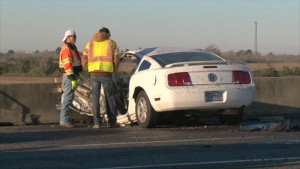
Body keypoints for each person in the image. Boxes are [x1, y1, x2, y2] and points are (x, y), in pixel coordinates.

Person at [82, 27, 120, 129]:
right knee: (109, 97)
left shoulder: (90, 43)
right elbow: (116, 59)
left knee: (95, 98)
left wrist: (89, 69)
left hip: (94, 74)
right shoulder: (112, 43)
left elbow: (84, 58)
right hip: (107, 74)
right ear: (107, 34)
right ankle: (112, 122)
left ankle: (97, 123)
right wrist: (113, 71)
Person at [59, 29, 82, 128]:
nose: (75, 38)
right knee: (67, 98)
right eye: (74, 37)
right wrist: (72, 78)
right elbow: (67, 65)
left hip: (72, 76)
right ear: (68, 37)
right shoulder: (67, 49)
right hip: (69, 77)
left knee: (69, 98)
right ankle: (64, 120)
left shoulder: (71, 48)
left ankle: (66, 119)